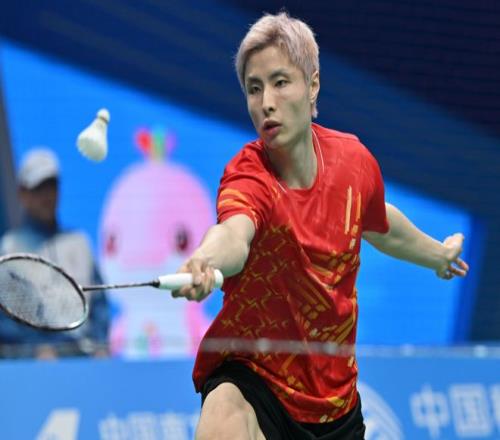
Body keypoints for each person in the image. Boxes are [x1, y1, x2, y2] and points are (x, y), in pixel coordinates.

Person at [173, 12, 469, 440]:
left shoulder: (353, 162)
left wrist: (438, 255)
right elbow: (234, 234)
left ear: (312, 85)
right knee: (223, 412)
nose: (266, 102)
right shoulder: (249, 176)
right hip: (255, 378)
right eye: (254, 89)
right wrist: (204, 259)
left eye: (280, 82)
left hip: (334, 401)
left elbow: (379, 223)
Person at [0, 147, 110, 359]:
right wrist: (34, 349)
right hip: (34, 368)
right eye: (38, 189)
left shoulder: (79, 243)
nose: (46, 196)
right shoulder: (9, 248)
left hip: (85, 360)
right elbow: (5, 322)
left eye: (51, 186)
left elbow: (100, 307)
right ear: (22, 193)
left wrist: (99, 345)